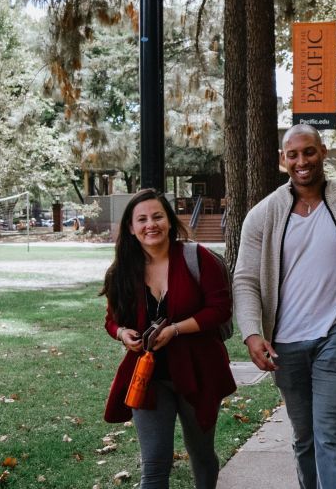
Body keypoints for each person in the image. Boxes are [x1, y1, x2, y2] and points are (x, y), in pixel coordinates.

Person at [233, 124, 336, 489]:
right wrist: (253, 333)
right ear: (282, 160)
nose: (302, 161)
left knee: (331, 435)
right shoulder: (263, 214)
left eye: (309, 152)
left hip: (335, 341)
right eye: (294, 154)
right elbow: (246, 279)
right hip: (284, 346)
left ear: (323, 152)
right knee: (304, 437)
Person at [101, 189, 236, 488]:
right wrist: (123, 334)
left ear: (170, 222)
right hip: (148, 377)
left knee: (201, 454)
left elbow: (220, 309)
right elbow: (112, 321)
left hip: (198, 372)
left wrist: (175, 329)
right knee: (154, 465)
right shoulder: (122, 271)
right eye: (142, 219)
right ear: (131, 227)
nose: (151, 224)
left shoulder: (198, 258)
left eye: (158, 216)